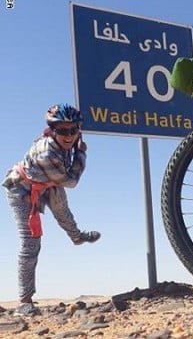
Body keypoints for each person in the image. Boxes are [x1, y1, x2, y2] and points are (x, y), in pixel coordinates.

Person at [2, 103, 101, 316]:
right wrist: (82, 154)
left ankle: (76, 236)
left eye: (73, 130)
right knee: (30, 243)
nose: (69, 135)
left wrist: (77, 149)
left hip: (47, 184)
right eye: (63, 131)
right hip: (22, 189)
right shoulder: (47, 152)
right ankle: (24, 301)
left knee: (64, 213)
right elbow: (71, 180)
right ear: (53, 131)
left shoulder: (67, 145)